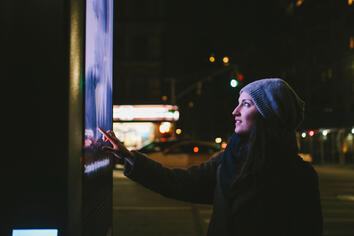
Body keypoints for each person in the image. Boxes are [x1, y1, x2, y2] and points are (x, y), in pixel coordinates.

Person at [99, 78, 323, 236]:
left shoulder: (300, 177)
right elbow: (179, 183)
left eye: (245, 104)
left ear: (269, 114)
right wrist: (129, 158)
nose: (235, 111)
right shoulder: (228, 161)